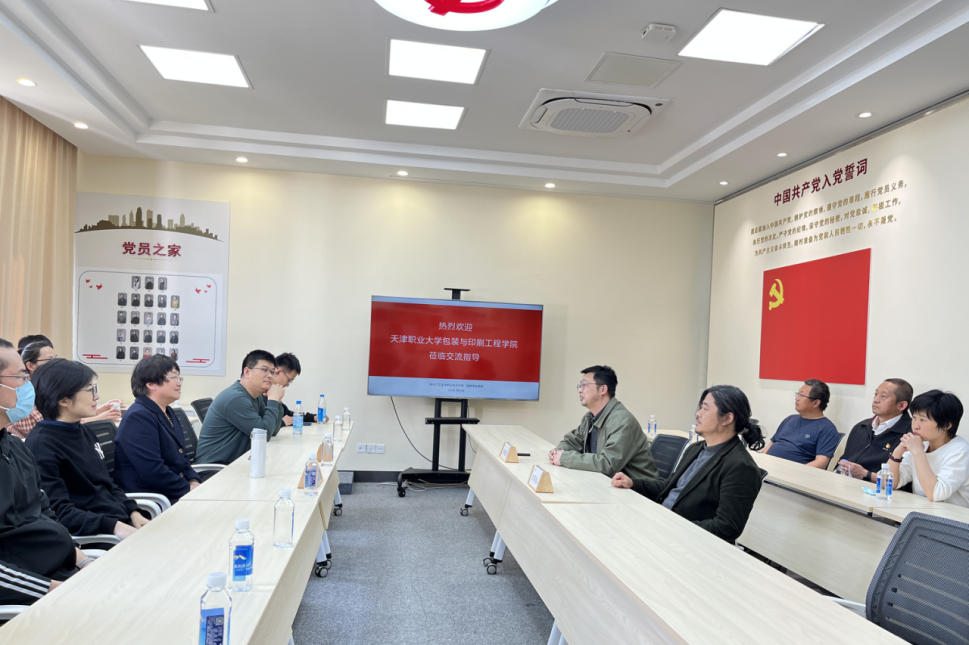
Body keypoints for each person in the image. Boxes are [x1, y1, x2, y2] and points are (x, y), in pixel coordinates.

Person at [0, 339, 93, 606]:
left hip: (60, 574)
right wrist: (57, 590)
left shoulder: (15, 448)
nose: (29, 386)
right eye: (21, 378)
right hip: (30, 597)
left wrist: (85, 562)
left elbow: (45, 514)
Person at [612, 385, 765, 542]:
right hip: (661, 525)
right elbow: (668, 487)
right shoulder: (695, 449)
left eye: (705, 409)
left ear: (728, 418)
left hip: (685, 541)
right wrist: (632, 483)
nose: (698, 413)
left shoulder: (741, 467)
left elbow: (726, 527)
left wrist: (674, 527)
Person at [25, 359, 149, 539]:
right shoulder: (41, 446)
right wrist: (114, 527)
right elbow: (58, 512)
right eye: (90, 390)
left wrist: (133, 511)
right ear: (63, 399)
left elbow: (107, 484)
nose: (96, 397)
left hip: (119, 523)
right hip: (96, 536)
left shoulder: (84, 431)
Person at [113, 355, 200, 504]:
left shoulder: (168, 411)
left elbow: (181, 457)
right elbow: (152, 471)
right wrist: (187, 489)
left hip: (172, 489)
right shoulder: (139, 416)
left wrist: (193, 481)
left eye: (179, 377)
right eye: (173, 377)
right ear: (151, 384)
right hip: (152, 498)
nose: (179, 383)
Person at [547, 366, 657, 480]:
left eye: (584, 385)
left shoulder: (621, 422)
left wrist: (564, 458)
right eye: (579, 386)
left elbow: (608, 464)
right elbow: (572, 441)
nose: (580, 390)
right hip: (606, 482)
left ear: (603, 389)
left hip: (635, 488)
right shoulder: (590, 417)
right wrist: (557, 452)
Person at [8, 338, 121, 439]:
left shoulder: (46, 385)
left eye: (56, 358)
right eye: (50, 360)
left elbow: (62, 416)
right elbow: (50, 424)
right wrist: (98, 418)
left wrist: (99, 410)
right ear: (30, 366)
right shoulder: (24, 390)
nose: (55, 364)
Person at [195, 350, 285, 464]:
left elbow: (273, 431)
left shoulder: (255, 396)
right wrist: (273, 400)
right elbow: (264, 435)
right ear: (247, 372)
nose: (270, 376)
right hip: (214, 468)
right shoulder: (235, 398)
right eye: (264, 370)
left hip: (233, 464)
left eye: (272, 372)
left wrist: (277, 401)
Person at [888, 390, 969, 508]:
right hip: (921, 512)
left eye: (923, 420)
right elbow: (887, 484)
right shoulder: (922, 443)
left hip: (952, 517)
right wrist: (897, 452)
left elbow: (935, 494)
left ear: (947, 425)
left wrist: (918, 452)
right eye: (914, 418)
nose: (915, 425)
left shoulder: (960, 451)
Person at [838, 379, 913, 483]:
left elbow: (901, 479)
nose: (876, 400)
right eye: (876, 394)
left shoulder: (910, 435)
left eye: (883, 396)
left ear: (901, 405)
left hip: (879, 489)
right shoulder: (861, 427)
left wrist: (865, 474)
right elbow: (844, 460)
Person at [763, 379, 840, 468]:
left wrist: (796, 472)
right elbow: (770, 445)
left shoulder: (827, 429)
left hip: (792, 473)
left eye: (802, 395)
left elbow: (821, 462)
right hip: (768, 467)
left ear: (816, 403)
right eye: (798, 394)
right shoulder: (790, 419)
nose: (796, 398)